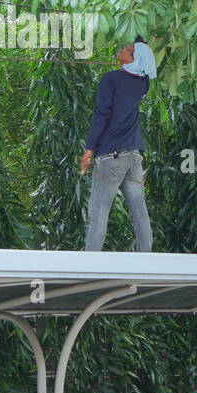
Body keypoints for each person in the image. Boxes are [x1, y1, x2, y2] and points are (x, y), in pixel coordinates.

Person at [80, 37, 155, 252]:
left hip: (111, 156)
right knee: (140, 214)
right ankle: (147, 259)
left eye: (127, 49)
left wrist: (89, 150)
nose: (121, 49)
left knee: (98, 213)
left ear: (133, 59)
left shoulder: (110, 79)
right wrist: (141, 41)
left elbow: (102, 114)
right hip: (134, 157)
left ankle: (88, 266)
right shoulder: (143, 83)